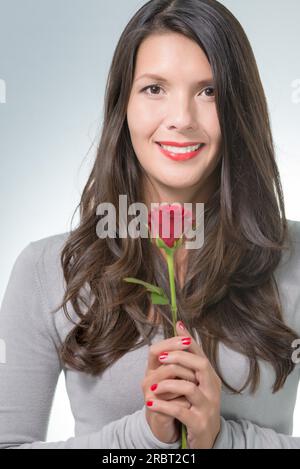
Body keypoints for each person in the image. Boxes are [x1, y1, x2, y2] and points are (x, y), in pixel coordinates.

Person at [1, 0, 300, 449]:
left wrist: (220, 440)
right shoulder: (46, 269)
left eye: (209, 91)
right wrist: (142, 438)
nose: (181, 118)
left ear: (240, 108)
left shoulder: (293, 258)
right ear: (123, 105)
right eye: (155, 89)